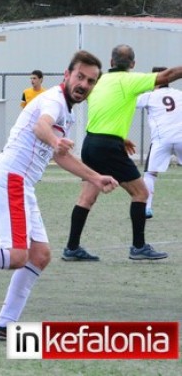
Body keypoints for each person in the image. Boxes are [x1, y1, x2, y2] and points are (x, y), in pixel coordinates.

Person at [0, 51, 117, 341]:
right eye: (80, 77)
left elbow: (60, 156)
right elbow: (42, 127)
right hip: (11, 178)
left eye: (90, 81)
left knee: (39, 256)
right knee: (16, 255)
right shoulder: (53, 100)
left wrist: (95, 177)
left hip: (23, 185)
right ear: (67, 75)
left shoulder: (69, 110)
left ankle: (4, 325)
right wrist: (55, 139)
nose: (84, 84)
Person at [62, 44, 182, 262]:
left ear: (110, 63)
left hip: (91, 144)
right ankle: (138, 247)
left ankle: (71, 247)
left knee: (86, 198)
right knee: (141, 193)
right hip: (108, 147)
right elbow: (168, 75)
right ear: (133, 65)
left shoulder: (99, 81)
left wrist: (120, 136)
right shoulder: (130, 80)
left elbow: (106, 108)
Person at [134, 66, 182, 220]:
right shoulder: (179, 94)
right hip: (181, 137)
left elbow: (131, 102)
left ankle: (146, 208)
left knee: (150, 173)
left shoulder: (149, 96)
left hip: (162, 140)